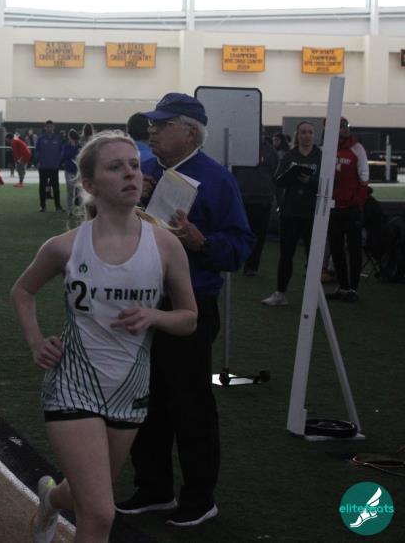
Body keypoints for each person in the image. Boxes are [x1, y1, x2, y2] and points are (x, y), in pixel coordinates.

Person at [14, 131, 197, 543]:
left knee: (83, 493)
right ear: (90, 184)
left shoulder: (166, 245)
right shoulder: (65, 247)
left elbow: (189, 319)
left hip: (130, 390)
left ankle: (50, 499)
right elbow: (22, 291)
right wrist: (36, 341)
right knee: (99, 514)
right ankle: (57, 502)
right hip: (72, 386)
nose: (130, 173)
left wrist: (154, 315)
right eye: (115, 167)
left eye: (134, 165)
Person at [117, 92, 253, 527]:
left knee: (189, 404)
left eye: (163, 125)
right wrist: (132, 203)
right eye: (153, 125)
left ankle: (199, 496)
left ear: (190, 132)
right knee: (146, 399)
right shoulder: (149, 172)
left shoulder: (217, 179)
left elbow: (241, 247)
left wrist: (201, 242)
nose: (153, 131)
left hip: (189, 304)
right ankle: (153, 488)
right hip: (144, 303)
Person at [262, 121, 321, 306]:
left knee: (313, 257)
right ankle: (280, 293)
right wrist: (292, 176)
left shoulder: (321, 156)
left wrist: (309, 181)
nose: (307, 135)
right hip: (290, 212)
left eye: (310, 132)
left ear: (314, 135)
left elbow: (329, 183)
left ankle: (313, 297)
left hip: (312, 213)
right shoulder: (290, 155)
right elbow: (278, 179)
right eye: (303, 132)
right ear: (297, 135)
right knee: (286, 254)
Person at [325, 117, 369, 302]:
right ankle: (343, 287)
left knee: (354, 249)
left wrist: (357, 201)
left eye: (346, 126)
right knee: (336, 249)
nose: (344, 129)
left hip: (351, 209)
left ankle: (353, 289)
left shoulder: (357, 149)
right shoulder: (327, 149)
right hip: (333, 208)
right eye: (340, 126)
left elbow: (364, 177)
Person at [233, 135, 279, 276]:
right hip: (242, 198)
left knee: (258, 235)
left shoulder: (270, 152)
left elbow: (276, 174)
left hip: (262, 200)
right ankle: (236, 261)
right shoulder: (240, 148)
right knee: (238, 232)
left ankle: (251, 266)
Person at [36, 120, 63, 213]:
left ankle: (58, 206)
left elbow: (61, 151)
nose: (49, 128)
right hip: (43, 167)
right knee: (42, 186)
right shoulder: (41, 138)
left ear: (53, 127)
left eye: (51, 127)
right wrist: (38, 161)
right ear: (45, 128)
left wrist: (58, 161)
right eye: (47, 127)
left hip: (54, 167)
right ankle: (42, 206)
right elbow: (37, 151)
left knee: (56, 187)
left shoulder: (58, 138)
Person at [59, 129, 81, 215]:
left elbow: (79, 156)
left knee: (79, 192)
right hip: (69, 170)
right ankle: (70, 210)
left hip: (78, 171)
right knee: (70, 191)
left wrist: (73, 150)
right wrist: (73, 150)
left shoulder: (79, 146)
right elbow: (64, 156)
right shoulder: (66, 146)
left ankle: (80, 210)